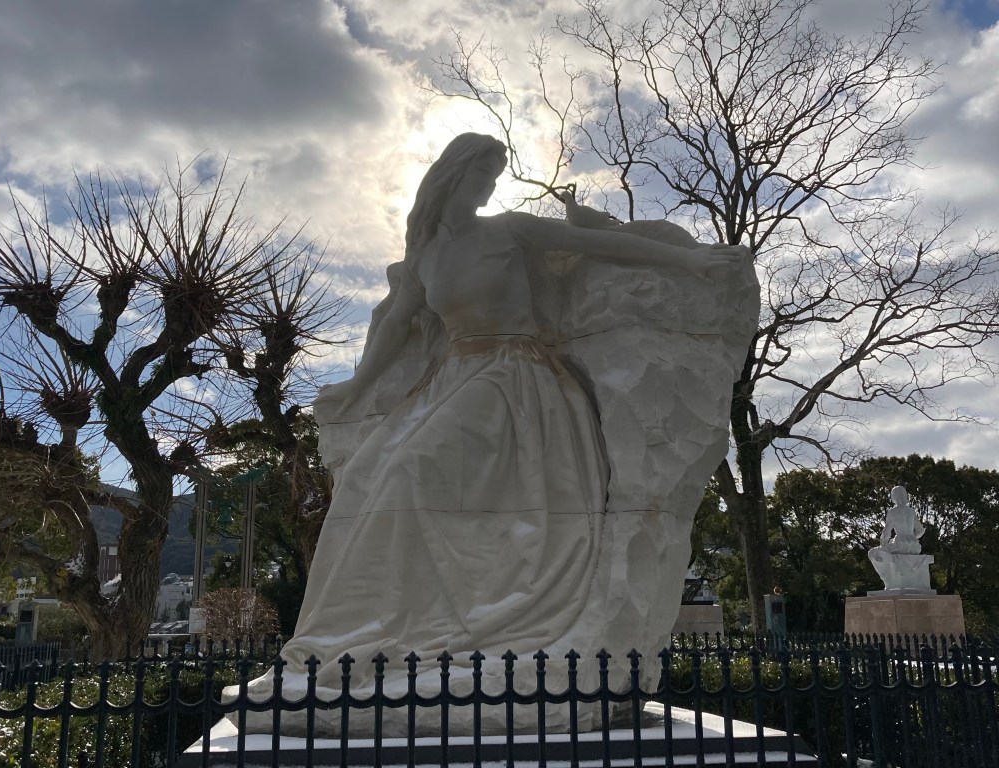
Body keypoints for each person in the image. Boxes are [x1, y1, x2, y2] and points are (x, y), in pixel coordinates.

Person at [237, 133, 751, 735]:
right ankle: (382, 629)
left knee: (410, 471)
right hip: (452, 376)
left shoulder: (509, 229)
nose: (489, 185)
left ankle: (429, 630)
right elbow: (397, 327)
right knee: (367, 480)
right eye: (482, 172)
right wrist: (354, 389)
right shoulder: (426, 254)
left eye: (495, 173)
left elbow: (594, 242)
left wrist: (690, 262)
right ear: (452, 175)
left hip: (515, 377)